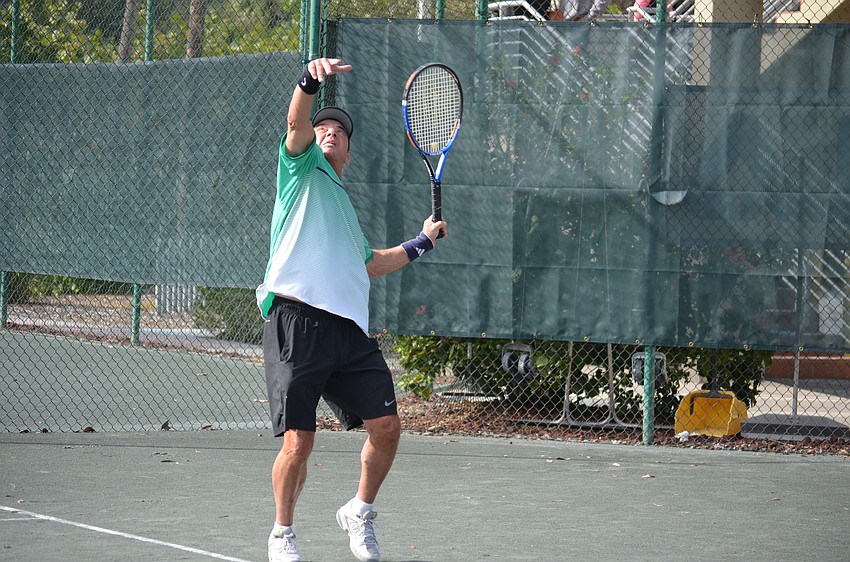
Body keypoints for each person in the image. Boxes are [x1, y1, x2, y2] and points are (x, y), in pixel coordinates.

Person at [256, 56, 448, 562]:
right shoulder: (299, 171)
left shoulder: (342, 205)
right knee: (299, 442)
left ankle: (358, 511)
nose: (330, 132)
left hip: (348, 334)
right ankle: (282, 533)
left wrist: (422, 242)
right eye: (323, 127)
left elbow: (370, 263)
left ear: (348, 150)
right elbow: (295, 122)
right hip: (296, 321)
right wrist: (309, 80)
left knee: (387, 427)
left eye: (339, 131)